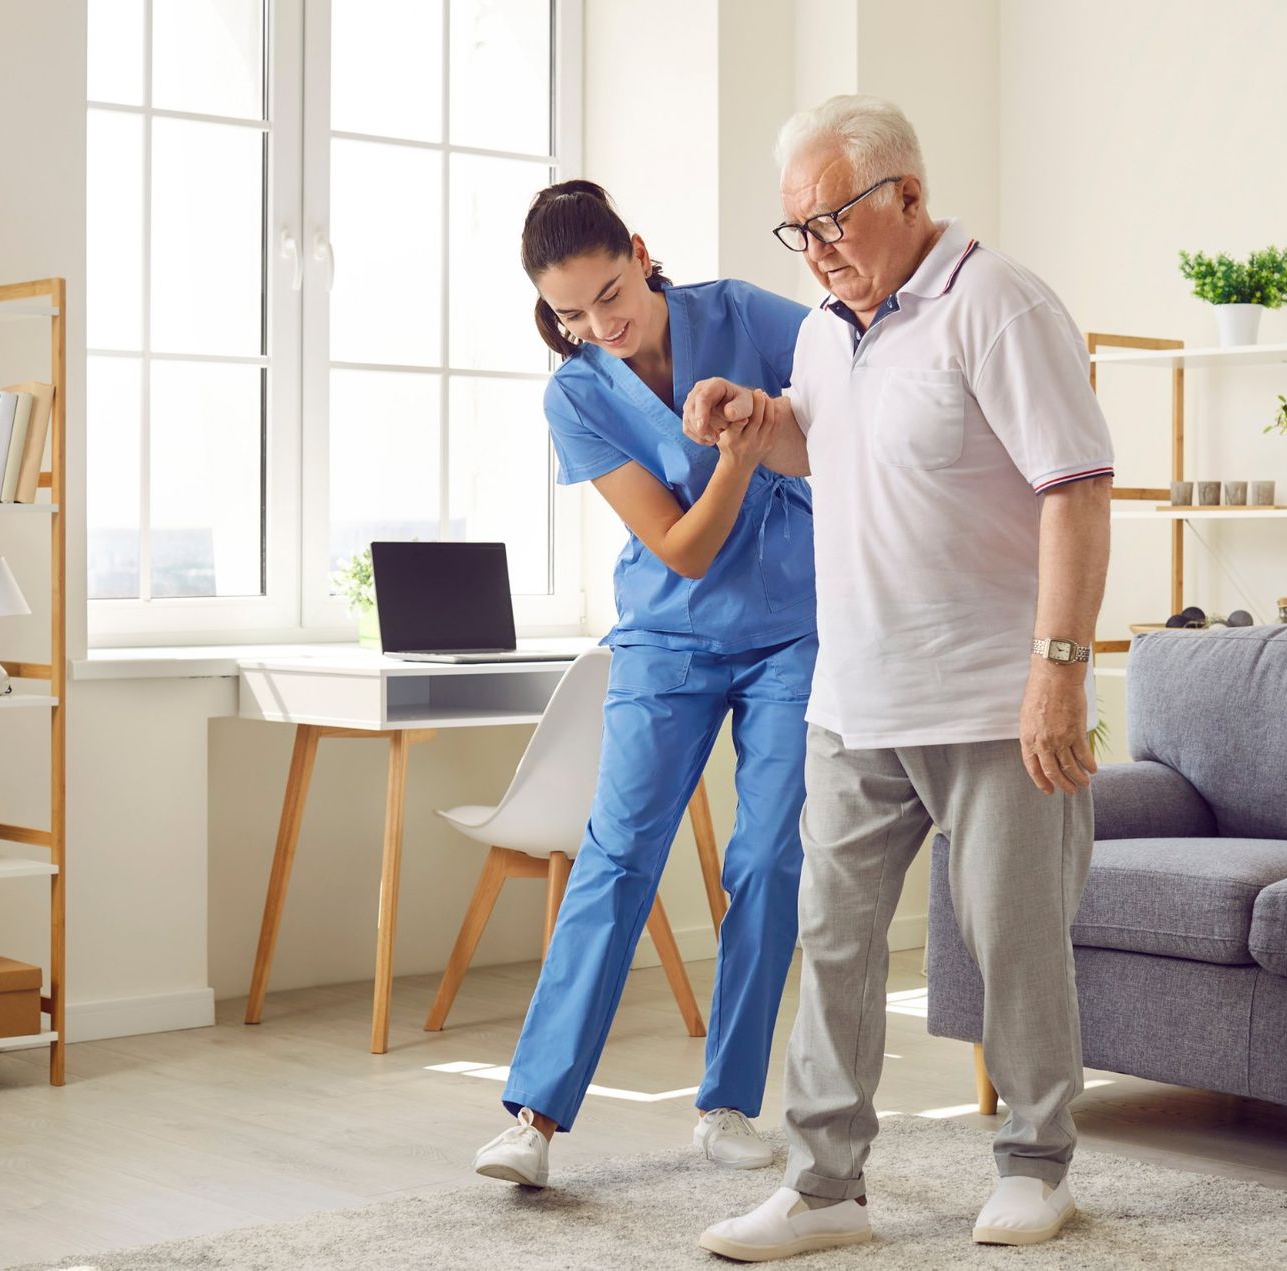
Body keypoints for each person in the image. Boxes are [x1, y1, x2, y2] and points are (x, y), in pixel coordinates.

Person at [685, 97, 1115, 1259]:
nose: (816, 246)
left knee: (1013, 939)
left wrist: (1059, 674)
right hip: (856, 695)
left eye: (833, 219)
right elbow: (829, 445)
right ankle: (826, 1185)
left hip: (991, 694)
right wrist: (755, 420)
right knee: (832, 939)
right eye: (797, 229)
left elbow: (1075, 489)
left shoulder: (999, 303)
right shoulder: (825, 330)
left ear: (908, 197)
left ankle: (1038, 1161)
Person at [471, 180, 818, 1189]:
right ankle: (532, 1116)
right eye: (572, 313)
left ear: (640, 250)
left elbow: (857, 367)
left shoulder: (748, 314)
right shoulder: (577, 392)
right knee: (618, 855)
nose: (601, 325)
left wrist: (769, 422)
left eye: (611, 294)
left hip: (794, 632)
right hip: (668, 638)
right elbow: (681, 546)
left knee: (764, 858)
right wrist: (742, 460)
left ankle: (727, 1105)